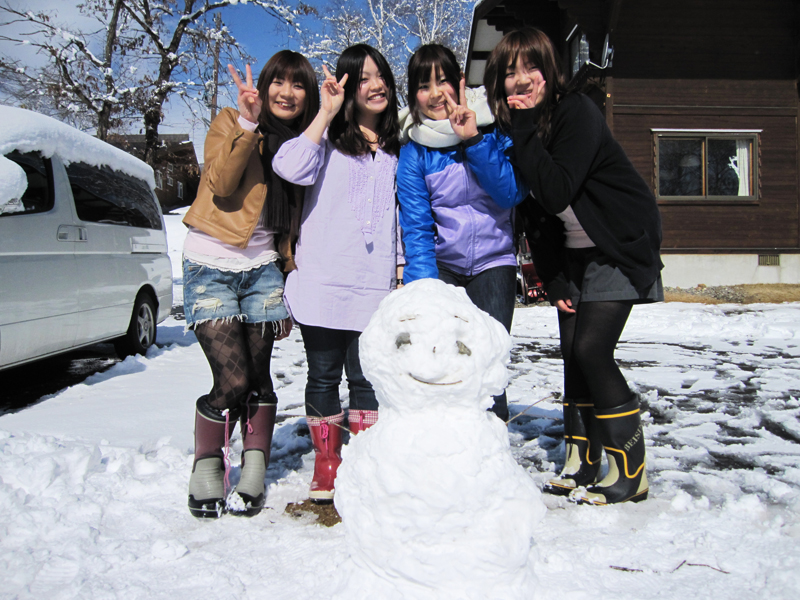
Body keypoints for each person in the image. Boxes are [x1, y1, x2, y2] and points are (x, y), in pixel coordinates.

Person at [484, 27, 663, 505]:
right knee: (572, 353)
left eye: (530, 67)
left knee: (591, 351)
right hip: (575, 254)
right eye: (509, 72)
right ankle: (581, 460)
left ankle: (630, 470)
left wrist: (522, 132)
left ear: (549, 70)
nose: (520, 80)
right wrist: (554, 274)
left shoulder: (575, 112)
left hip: (617, 244)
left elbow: (557, 189)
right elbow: (536, 213)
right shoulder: (518, 131)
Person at [182, 51, 319, 518]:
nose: (286, 92)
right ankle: (207, 462)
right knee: (233, 379)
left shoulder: (304, 144)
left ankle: (255, 463)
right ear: (264, 85)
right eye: (278, 82)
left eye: (298, 85)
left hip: (264, 268)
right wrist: (246, 122)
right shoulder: (230, 122)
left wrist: (289, 274)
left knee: (258, 378)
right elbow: (220, 183)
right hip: (210, 265)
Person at [272, 44, 402, 502]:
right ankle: (328, 463)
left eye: (379, 74)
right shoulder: (326, 142)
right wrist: (325, 114)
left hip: (374, 287)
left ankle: (364, 461)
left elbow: (399, 218)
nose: (375, 84)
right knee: (324, 376)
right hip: (323, 282)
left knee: (366, 379)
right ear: (346, 87)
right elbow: (287, 166)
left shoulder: (396, 149)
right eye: (362, 78)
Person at [396, 44, 529, 422]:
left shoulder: (490, 125)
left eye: (442, 81)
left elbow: (510, 192)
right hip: (445, 266)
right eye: (424, 85)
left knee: (488, 359)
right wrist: (423, 288)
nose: (435, 93)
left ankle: (494, 446)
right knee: (443, 360)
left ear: (459, 82)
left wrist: (473, 139)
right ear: (413, 95)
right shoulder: (415, 151)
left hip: (494, 262)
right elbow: (417, 226)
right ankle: (446, 446)